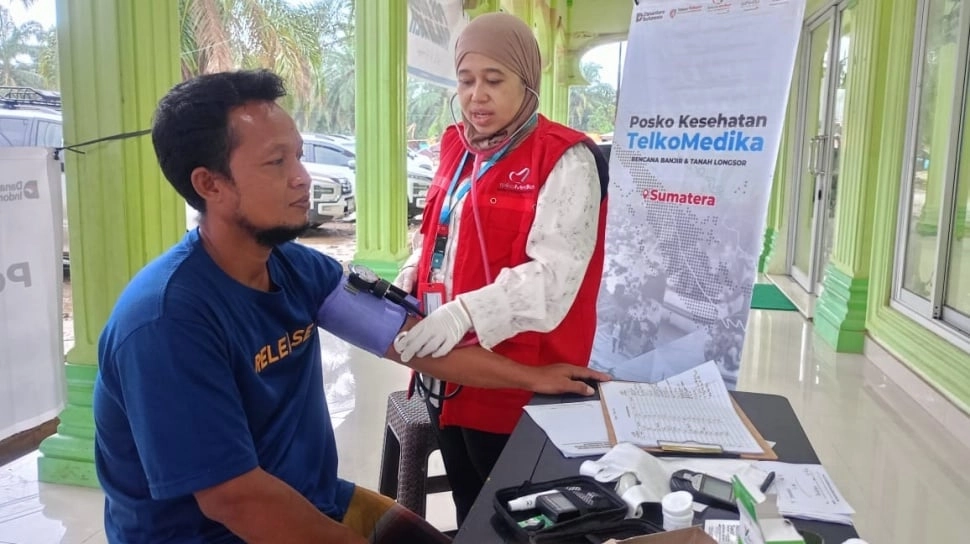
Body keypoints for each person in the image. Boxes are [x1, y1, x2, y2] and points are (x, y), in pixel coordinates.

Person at [92, 69, 610, 544]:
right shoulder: (166, 323)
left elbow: (408, 341)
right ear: (210, 184)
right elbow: (237, 499)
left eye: (298, 155)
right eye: (278, 162)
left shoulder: (297, 268)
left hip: (315, 498)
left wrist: (532, 377)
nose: (303, 177)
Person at [392, 13, 609, 527]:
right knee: (470, 505)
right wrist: (410, 275)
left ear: (526, 83)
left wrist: (465, 311)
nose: (477, 96)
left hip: (522, 375)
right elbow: (435, 233)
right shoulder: (455, 146)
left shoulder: (565, 158)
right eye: (466, 81)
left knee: (519, 518)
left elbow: (554, 277)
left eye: (494, 81)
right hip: (449, 368)